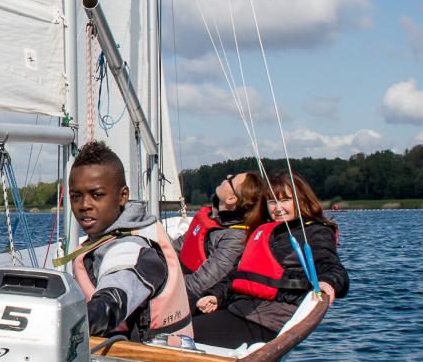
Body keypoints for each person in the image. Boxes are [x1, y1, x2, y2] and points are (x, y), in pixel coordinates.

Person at [193, 173, 347, 347]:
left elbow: (333, 268)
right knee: (177, 320)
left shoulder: (314, 232)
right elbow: (237, 273)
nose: (278, 208)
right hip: (239, 308)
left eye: (285, 200)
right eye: (272, 202)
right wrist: (215, 296)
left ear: (301, 200)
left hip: (268, 320)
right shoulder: (263, 231)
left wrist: (328, 282)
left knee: (181, 334)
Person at [64, 141, 193, 341]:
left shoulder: (133, 249)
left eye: (97, 195)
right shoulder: (105, 238)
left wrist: (61, 327)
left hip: (147, 358)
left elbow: (113, 301)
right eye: (76, 196)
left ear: (123, 196)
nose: (84, 205)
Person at [176, 171, 265, 310]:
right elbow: (177, 246)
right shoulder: (212, 218)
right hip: (177, 277)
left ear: (231, 199)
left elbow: (200, 284)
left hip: (189, 299)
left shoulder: (236, 238)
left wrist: (165, 288)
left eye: (232, 179)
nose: (228, 176)